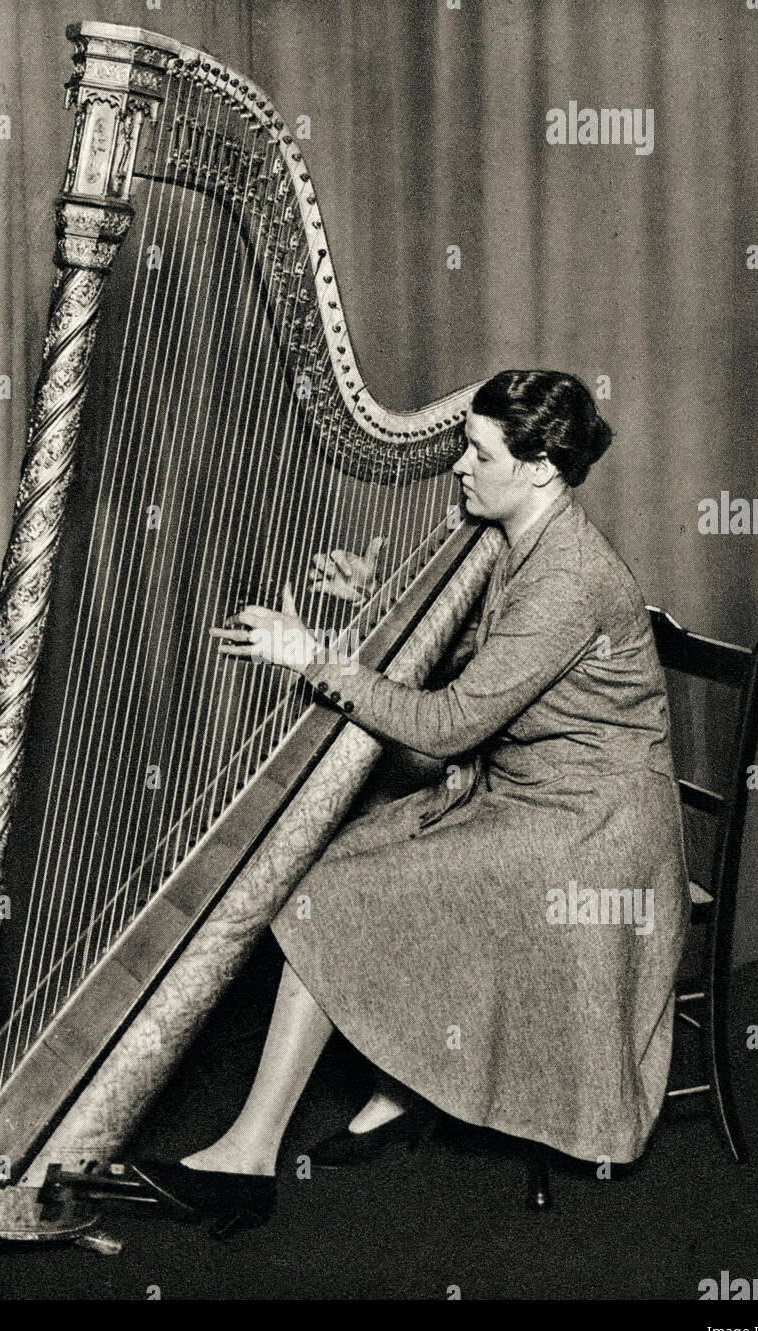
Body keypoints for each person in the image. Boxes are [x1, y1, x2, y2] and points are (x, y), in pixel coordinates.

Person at [111, 369, 691, 1235]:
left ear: (538, 468)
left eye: (478, 451)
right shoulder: (514, 539)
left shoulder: (569, 574)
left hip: (590, 832)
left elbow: (450, 724)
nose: (458, 465)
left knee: (325, 892)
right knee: (333, 858)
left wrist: (312, 655)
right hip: (526, 794)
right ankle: (405, 1081)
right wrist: (357, 610)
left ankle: (250, 1153)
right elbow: (461, 665)